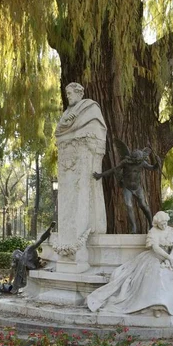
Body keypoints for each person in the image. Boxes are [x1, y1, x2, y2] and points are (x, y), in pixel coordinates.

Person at [87, 211, 173, 316]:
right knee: (156, 274)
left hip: (170, 257)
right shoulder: (153, 232)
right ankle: (156, 306)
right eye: (161, 224)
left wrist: (171, 259)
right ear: (157, 223)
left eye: (165, 223)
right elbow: (155, 248)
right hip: (155, 257)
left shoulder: (171, 231)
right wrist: (168, 258)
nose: (164, 226)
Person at [54, 83, 107, 263]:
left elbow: (97, 131)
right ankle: (67, 242)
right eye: (66, 94)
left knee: (84, 195)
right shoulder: (66, 114)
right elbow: (59, 132)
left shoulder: (90, 108)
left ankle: (79, 244)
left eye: (70, 93)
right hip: (68, 162)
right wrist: (71, 132)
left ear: (79, 92)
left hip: (85, 159)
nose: (68, 96)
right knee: (69, 200)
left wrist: (74, 133)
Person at [93, 140, 160, 233]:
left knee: (144, 206)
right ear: (133, 159)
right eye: (135, 161)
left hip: (137, 188)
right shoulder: (126, 162)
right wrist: (101, 175)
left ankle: (151, 224)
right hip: (127, 187)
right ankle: (134, 228)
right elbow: (114, 170)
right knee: (128, 205)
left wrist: (157, 164)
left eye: (138, 161)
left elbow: (152, 168)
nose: (137, 163)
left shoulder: (142, 163)